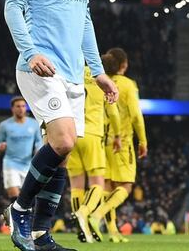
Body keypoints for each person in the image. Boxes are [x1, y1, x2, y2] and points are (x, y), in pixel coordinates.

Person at [4, 0, 118, 251]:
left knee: (62, 153)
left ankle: (40, 234)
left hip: (71, 73)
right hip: (39, 67)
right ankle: (19, 209)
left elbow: (84, 20)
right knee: (64, 139)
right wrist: (30, 51)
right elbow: (12, 6)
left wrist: (98, 71)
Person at [96, 47, 148, 243]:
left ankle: (112, 232)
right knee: (125, 186)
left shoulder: (99, 82)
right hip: (121, 141)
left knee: (108, 188)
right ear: (124, 65)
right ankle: (95, 215)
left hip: (102, 140)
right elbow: (135, 114)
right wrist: (142, 140)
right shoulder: (127, 84)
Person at [70, 64, 121, 243]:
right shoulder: (101, 77)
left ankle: (82, 230)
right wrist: (118, 136)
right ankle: (83, 213)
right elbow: (113, 113)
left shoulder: (71, 71)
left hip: (71, 134)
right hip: (92, 134)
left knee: (76, 185)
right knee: (97, 183)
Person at [0, 97, 43, 203]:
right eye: (18, 106)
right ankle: (16, 219)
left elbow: (39, 141)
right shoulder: (5, 125)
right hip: (10, 163)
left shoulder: (33, 124)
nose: (21, 109)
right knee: (14, 195)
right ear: (12, 109)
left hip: (28, 164)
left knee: (27, 197)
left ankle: (23, 217)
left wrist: (38, 149)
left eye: (23, 106)